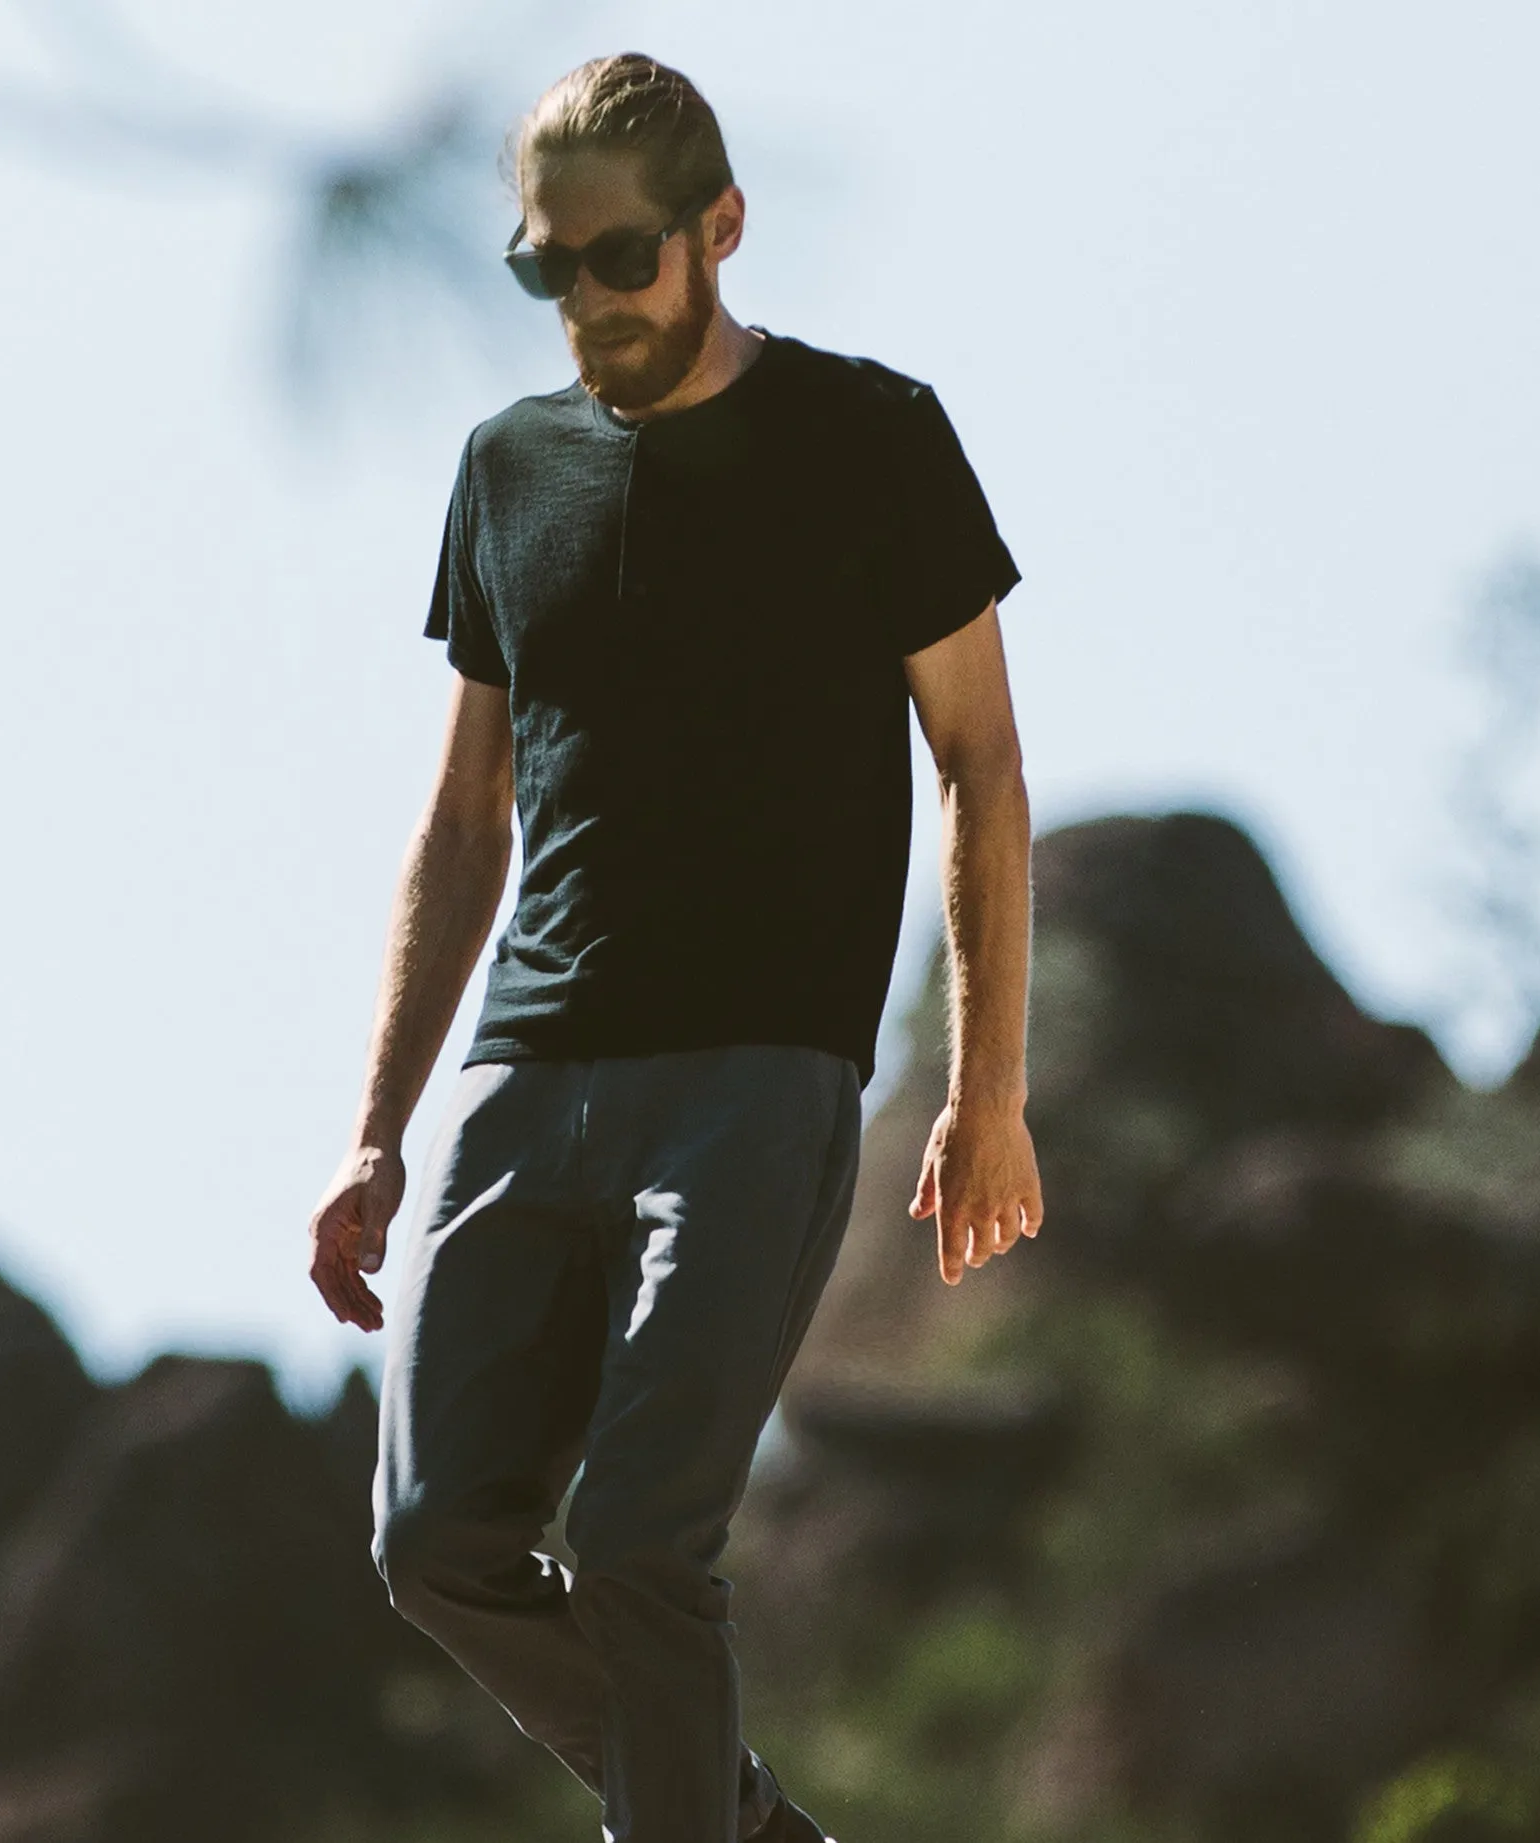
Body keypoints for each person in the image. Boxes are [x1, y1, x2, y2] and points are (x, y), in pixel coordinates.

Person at [305, 50, 1044, 1843]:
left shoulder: (873, 438)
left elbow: (980, 760)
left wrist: (989, 1088)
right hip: (524, 1065)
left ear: (719, 228)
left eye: (618, 259)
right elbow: (465, 812)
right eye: (542, 268)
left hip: (754, 1078)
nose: (584, 303)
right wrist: (377, 1129)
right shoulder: (507, 473)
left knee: (643, 1543)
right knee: (434, 1542)